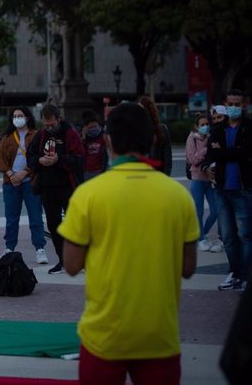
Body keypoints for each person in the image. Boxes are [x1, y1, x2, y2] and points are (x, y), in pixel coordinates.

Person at [59, 102, 198, 385]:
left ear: (108, 141)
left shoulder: (88, 195)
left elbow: (71, 265)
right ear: (152, 139)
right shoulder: (178, 196)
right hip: (160, 336)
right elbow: (188, 267)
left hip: (104, 336)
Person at [202, 89, 252, 291]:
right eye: (230, 103)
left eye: (237, 104)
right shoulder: (218, 128)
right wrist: (206, 167)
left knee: (245, 235)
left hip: (243, 188)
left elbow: (246, 151)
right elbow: (209, 154)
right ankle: (234, 273)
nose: (233, 107)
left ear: (244, 104)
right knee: (228, 237)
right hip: (221, 189)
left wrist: (221, 152)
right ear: (225, 102)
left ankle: (245, 275)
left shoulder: (249, 127)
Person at [27, 104, 85, 275]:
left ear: (59, 119)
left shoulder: (70, 133)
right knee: (53, 225)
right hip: (47, 187)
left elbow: (80, 159)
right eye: (46, 125)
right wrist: (39, 161)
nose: (49, 128)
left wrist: (59, 159)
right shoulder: (41, 135)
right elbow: (30, 156)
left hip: (67, 186)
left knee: (74, 224)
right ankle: (63, 260)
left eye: (52, 124)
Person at [0, 107, 48, 264]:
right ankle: (9, 248)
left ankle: (40, 249)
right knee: (11, 218)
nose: (17, 118)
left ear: (27, 118)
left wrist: (25, 172)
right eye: (14, 116)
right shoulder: (7, 137)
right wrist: (11, 174)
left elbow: (40, 157)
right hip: (11, 183)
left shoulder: (37, 135)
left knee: (35, 217)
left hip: (31, 181)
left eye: (20, 116)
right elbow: (1, 159)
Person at [185, 114, 221, 252]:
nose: (205, 126)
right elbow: (193, 160)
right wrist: (207, 149)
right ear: (196, 126)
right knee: (198, 211)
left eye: (207, 124)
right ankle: (201, 240)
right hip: (197, 179)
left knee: (216, 210)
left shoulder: (211, 137)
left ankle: (202, 233)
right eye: (202, 124)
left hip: (211, 180)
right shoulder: (192, 139)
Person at [138, 95, 172, 175]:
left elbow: (167, 158)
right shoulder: (136, 129)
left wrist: (165, 177)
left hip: (157, 174)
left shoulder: (162, 129)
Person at [80, 111, 107, 181]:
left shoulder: (104, 137)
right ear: (85, 128)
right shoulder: (83, 139)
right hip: (86, 172)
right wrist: (83, 139)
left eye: (95, 126)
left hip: (100, 171)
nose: (94, 128)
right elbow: (80, 154)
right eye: (91, 127)